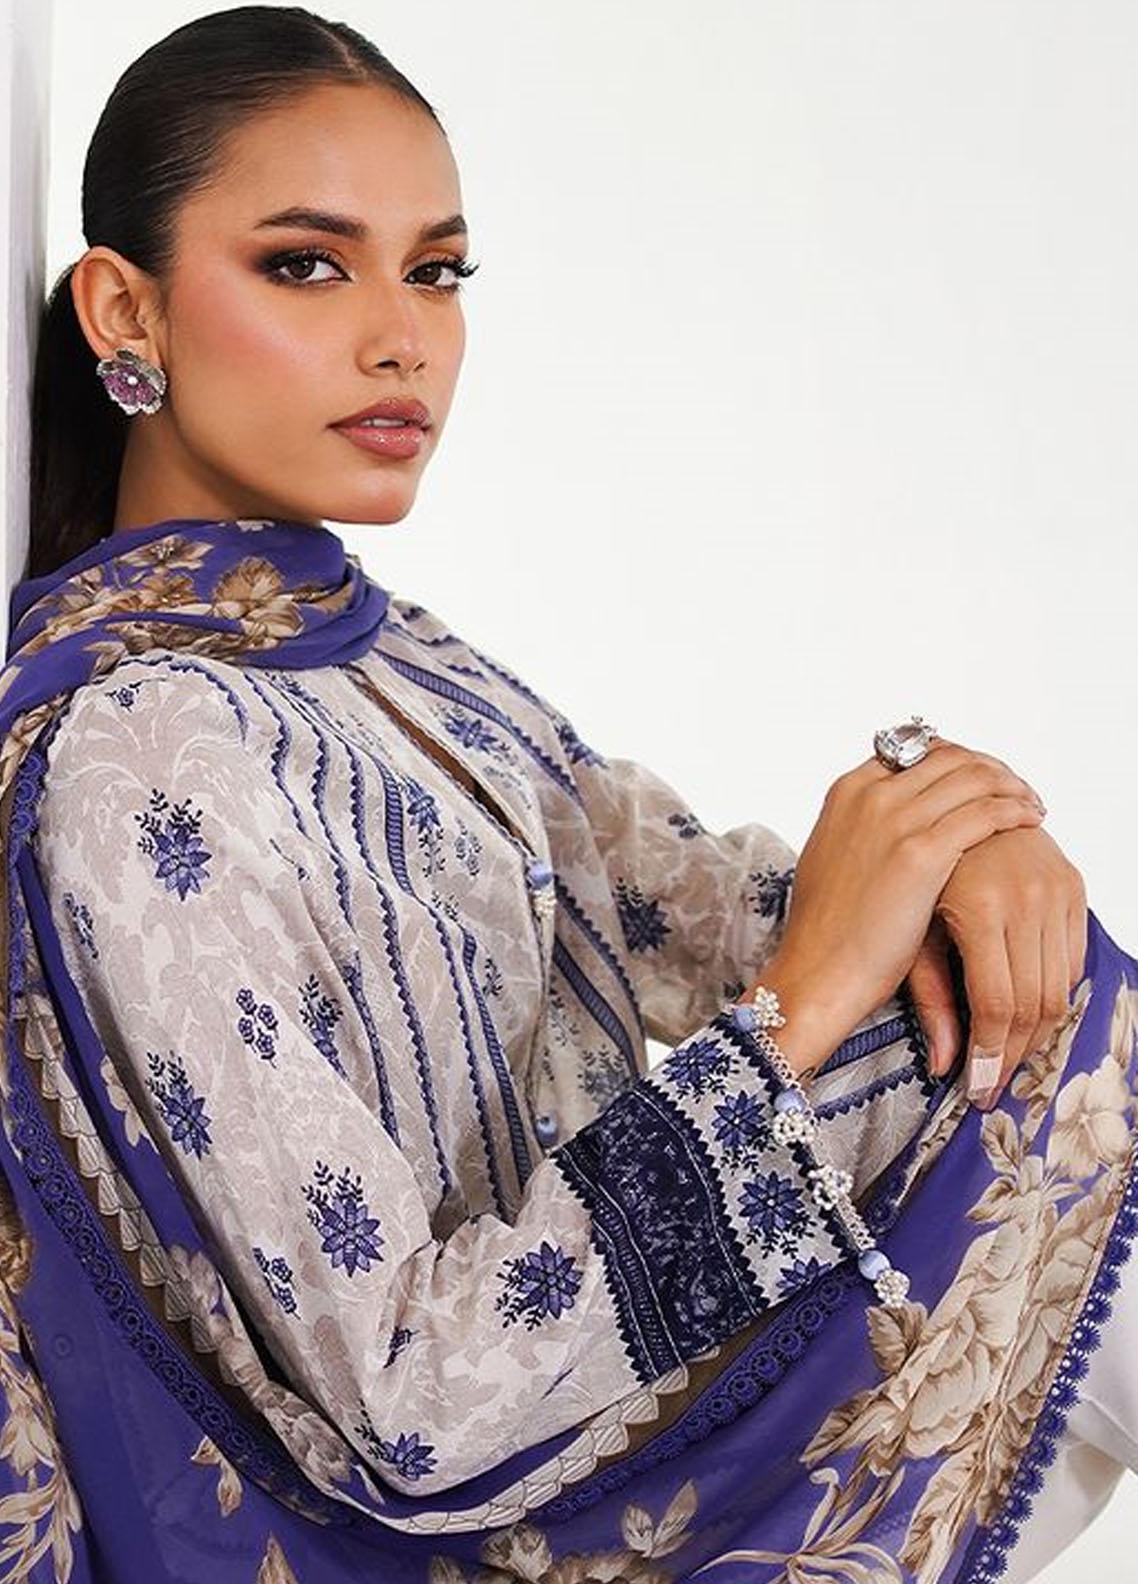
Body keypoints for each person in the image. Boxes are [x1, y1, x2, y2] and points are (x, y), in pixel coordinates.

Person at [0, 7, 1132, 1580]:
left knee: (1064, 1025)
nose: (402, 338)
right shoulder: (133, 760)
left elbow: (695, 901)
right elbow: (408, 1404)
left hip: (596, 1420)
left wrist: (963, 829)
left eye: (436, 271)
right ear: (127, 310)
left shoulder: (389, 663)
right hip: (464, 1527)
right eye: (307, 265)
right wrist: (798, 1018)